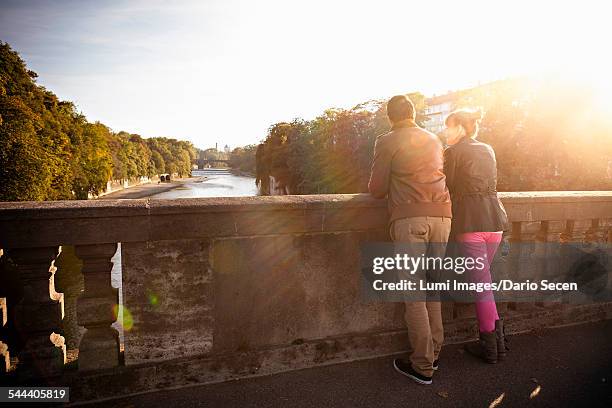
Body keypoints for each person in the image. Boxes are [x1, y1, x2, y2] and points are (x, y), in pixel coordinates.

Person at [368, 95, 452, 385]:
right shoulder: (433, 139)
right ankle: (434, 353)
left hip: (410, 219)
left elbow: (377, 189)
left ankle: (422, 366)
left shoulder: (388, 140)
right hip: (443, 216)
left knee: (414, 294)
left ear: (390, 117)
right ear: (413, 113)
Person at [441, 108, 510, 364]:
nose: (445, 131)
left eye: (448, 126)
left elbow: (445, 186)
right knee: (485, 284)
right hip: (495, 221)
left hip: (471, 222)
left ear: (460, 127)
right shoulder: (488, 149)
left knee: (482, 287)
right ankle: (499, 344)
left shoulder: (453, 152)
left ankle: (491, 347)